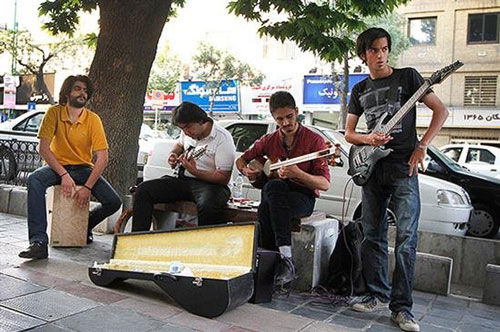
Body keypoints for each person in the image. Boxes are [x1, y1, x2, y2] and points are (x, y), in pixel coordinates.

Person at [345, 28, 449, 332]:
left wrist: (422, 146)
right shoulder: (360, 89)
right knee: (371, 235)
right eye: (374, 50)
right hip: (373, 169)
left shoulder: (409, 77)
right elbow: (349, 133)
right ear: (363, 54)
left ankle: (402, 309)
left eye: (384, 49)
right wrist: (369, 138)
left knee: (406, 240)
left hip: (404, 168)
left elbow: (440, 111)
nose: (380, 55)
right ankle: (376, 294)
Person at [19, 75, 122, 260]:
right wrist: (64, 174)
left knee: (114, 201)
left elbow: (102, 158)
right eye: (77, 88)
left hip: (83, 168)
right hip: (57, 167)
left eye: (85, 90)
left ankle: (85, 227)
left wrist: (88, 187)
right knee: (34, 179)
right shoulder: (54, 113)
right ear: (67, 92)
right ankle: (38, 242)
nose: (82, 92)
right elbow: (43, 148)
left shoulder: (93, 119)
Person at [236, 91, 330, 286]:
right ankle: (283, 262)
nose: (286, 123)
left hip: (302, 197)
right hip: (276, 195)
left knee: (267, 205)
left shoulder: (314, 141)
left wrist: (298, 174)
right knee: (273, 188)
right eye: (280, 119)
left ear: (296, 112)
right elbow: (241, 159)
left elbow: (324, 184)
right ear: (273, 118)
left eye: (289, 117)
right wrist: (247, 171)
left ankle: (269, 265)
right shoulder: (268, 140)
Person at [132, 101, 236, 231]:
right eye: (182, 129)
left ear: (200, 121)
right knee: (143, 190)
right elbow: (179, 145)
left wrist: (195, 171)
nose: (185, 132)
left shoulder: (222, 138)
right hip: (184, 180)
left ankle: (206, 247)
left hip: (212, 185)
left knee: (209, 207)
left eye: (188, 127)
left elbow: (223, 177)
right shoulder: (187, 133)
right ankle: (138, 240)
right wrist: (173, 154)